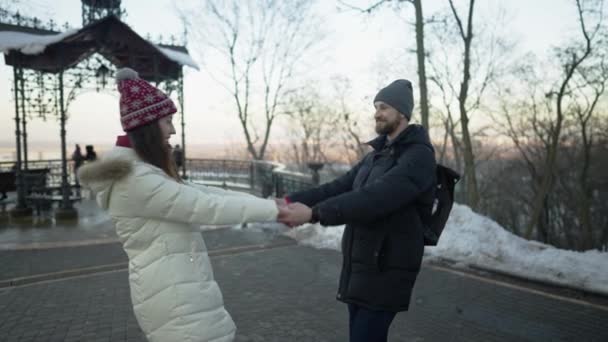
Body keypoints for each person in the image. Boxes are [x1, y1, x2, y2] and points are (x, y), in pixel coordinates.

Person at [78, 68, 285, 342]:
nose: (173, 129)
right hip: (175, 298)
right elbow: (205, 206)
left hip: (178, 289)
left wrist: (270, 204)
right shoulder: (136, 178)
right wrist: (277, 211)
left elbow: (204, 193)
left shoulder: (141, 170)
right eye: (167, 121)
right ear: (149, 126)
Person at [278, 79, 437, 342]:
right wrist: (288, 200)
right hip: (362, 265)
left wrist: (314, 214)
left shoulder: (418, 156)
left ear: (402, 112)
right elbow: (339, 187)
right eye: (376, 106)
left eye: (384, 107)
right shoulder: (377, 154)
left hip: (388, 268)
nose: (377, 112)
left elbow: (375, 198)